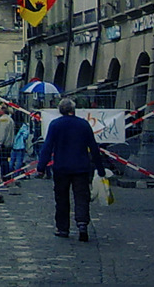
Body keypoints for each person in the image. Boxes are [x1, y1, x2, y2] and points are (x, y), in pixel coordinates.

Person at [38, 97, 108, 241]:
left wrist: (41, 167)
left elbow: (47, 146)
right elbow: (94, 148)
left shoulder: (55, 124)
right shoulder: (83, 124)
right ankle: (82, 224)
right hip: (81, 167)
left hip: (61, 167)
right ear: (73, 110)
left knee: (61, 198)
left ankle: (63, 228)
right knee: (82, 197)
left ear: (60, 110)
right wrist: (100, 169)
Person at [0, 106, 15, 179]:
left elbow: (1, 133)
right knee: (6, 161)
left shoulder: (3, 120)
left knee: (3, 162)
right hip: (8, 144)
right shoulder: (9, 119)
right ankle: (7, 176)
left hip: (3, 145)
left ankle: (5, 177)